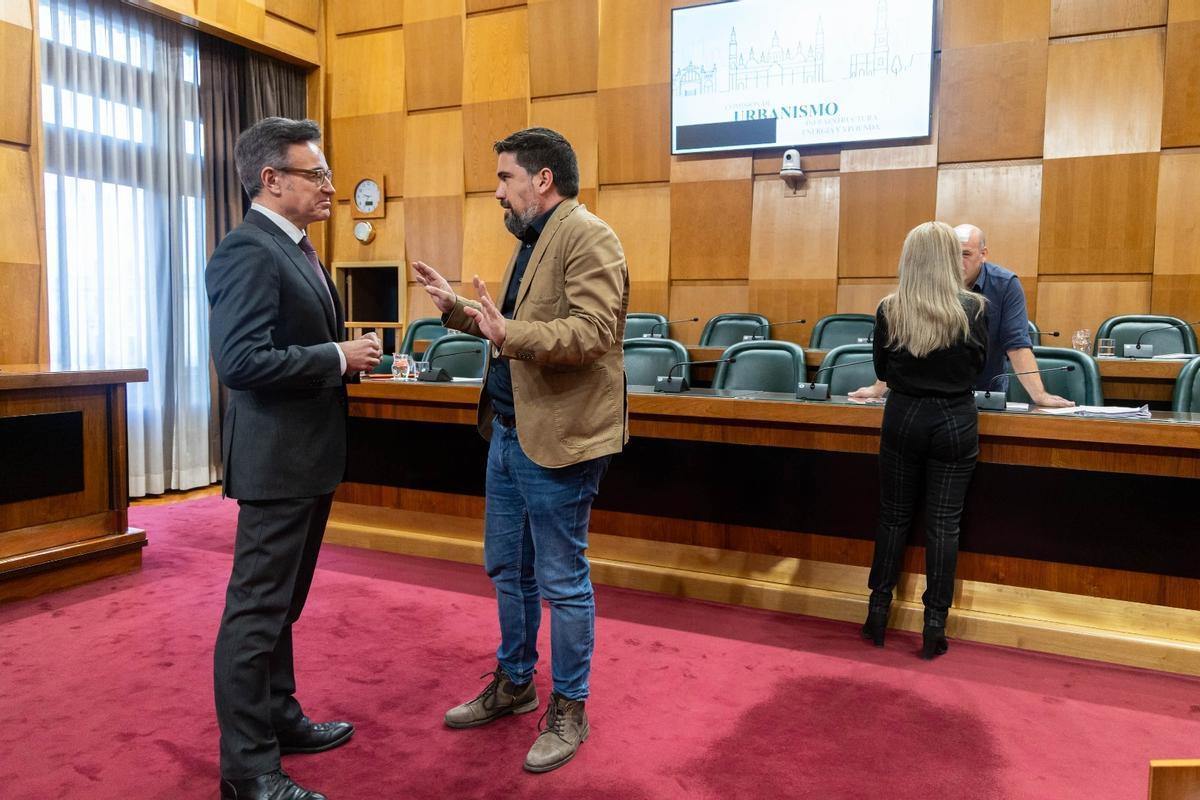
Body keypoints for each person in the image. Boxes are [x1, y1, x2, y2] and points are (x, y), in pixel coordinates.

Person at [412, 127, 628, 773]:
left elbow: (590, 332)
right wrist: (455, 309)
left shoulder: (590, 235)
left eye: (506, 178)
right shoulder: (533, 242)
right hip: (508, 432)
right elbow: (505, 330)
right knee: (508, 568)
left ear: (542, 178)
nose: (497, 191)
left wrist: (510, 330)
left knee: (562, 581)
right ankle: (515, 681)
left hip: (559, 440)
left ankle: (570, 707)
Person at [207, 117, 382, 800]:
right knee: (254, 614)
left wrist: (343, 361)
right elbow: (241, 361)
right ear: (271, 179)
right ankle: (247, 770)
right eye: (318, 174)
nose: (331, 186)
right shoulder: (248, 250)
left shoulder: (296, 247)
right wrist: (338, 357)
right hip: (277, 462)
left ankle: (278, 718)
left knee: (281, 608)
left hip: (306, 458)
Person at [859, 221, 988, 660]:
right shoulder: (973, 308)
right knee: (944, 524)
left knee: (892, 517)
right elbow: (978, 369)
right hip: (955, 417)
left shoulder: (889, 309)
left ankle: (877, 613)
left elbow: (882, 370)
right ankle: (935, 624)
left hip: (904, 415)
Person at [850, 223, 1073, 408]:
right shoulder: (927, 285)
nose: (958, 262)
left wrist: (1039, 395)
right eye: (953, 254)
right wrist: (879, 387)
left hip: (986, 392)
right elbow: (903, 343)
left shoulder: (1005, 284)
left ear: (983, 255)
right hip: (931, 396)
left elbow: (1016, 344)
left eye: (966, 254)